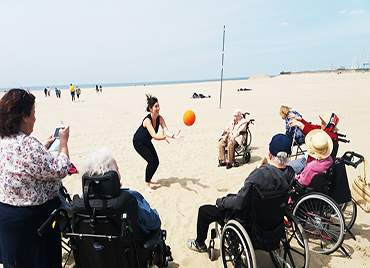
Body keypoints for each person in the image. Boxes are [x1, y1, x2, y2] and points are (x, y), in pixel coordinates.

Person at [0, 88, 71, 268]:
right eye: (33, 113)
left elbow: (20, 165)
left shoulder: (4, 140)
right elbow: (61, 169)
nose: (35, 118)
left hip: (7, 216)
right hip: (33, 221)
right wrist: (63, 141)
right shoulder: (27, 145)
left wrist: (42, 146)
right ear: (24, 117)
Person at [187, 134, 294, 253]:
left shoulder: (259, 175)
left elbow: (239, 203)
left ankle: (199, 244)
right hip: (273, 225)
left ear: (269, 154)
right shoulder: (290, 174)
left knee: (204, 211)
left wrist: (221, 202)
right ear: (289, 155)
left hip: (249, 224)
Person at [83, 147, 161, 237]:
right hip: (130, 248)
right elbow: (154, 222)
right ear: (113, 176)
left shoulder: (82, 201)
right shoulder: (130, 198)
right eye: (117, 170)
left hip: (92, 249)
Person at [133, 94, 184, 193]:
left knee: (156, 161)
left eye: (158, 106)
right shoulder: (147, 121)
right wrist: (163, 137)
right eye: (156, 106)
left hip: (146, 142)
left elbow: (166, 130)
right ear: (150, 108)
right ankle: (147, 185)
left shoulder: (160, 118)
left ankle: (150, 180)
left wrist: (174, 136)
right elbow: (154, 135)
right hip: (138, 142)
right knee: (151, 161)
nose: (158, 108)